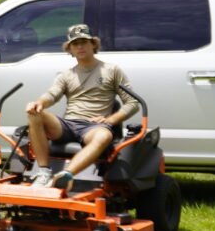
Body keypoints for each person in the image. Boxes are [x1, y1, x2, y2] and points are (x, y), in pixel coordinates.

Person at [25, 23, 139, 190]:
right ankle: (43, 172)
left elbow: (132, 103)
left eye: (84, 42)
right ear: (69, 49)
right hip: (68, 125)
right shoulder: (66, 74)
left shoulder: (111, 70)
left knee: (104, 136)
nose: (80, 47)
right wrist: (39, 103)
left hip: (94, 126)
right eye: (75, 44)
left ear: (93, 44)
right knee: (34, 113)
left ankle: (65, 176)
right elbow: (52, 94)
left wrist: (110, 120)